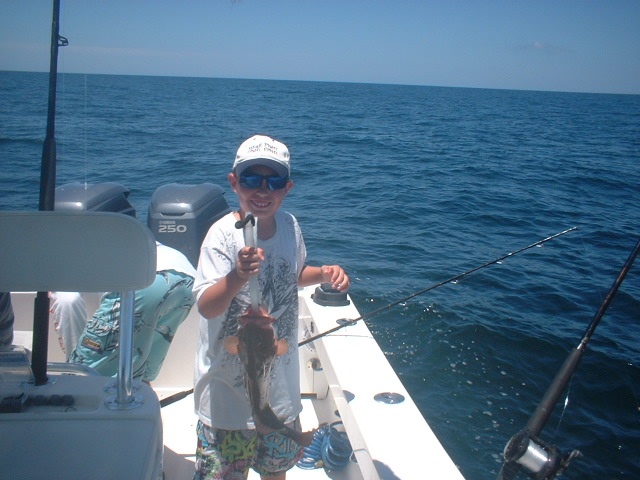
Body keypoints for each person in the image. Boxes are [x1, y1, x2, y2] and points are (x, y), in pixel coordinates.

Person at [193, 134, 350, 480]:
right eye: (251, 179)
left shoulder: (290, 227)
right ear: (234, 182)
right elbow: (206, 306)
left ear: (287, 187)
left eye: (274, 181)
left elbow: (291, 276)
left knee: (275, 473)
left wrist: (323, 272)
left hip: (280, 397)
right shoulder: (221, 236)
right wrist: (237, 275)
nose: (263, 190)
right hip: (225, 407)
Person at [60, 242, 196, 383]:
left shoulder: (59, 268)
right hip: (186, 279)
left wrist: (74, 363)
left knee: (77, 378)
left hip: (144, 279)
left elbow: (67, 302)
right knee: (140, 374)